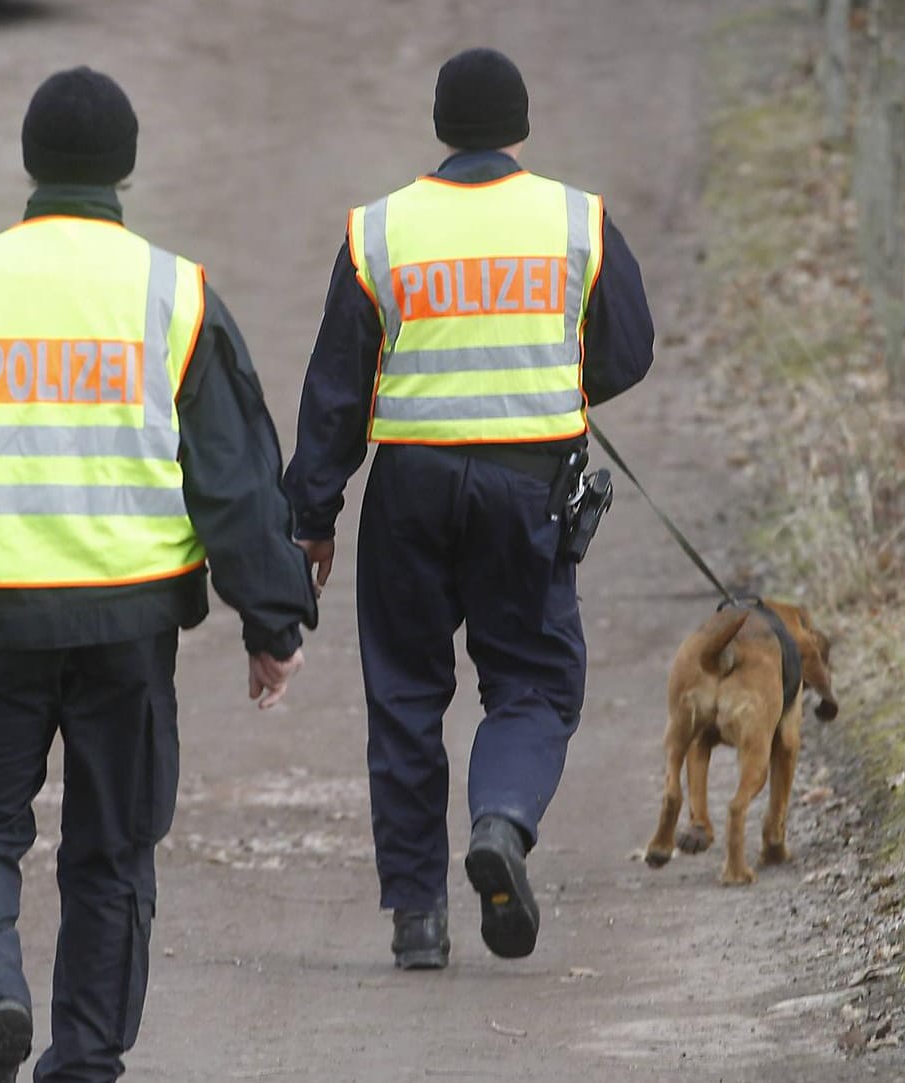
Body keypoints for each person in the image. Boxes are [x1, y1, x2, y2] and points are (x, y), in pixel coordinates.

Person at [0, 67, 316, 1083]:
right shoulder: (173, 293)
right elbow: (236, 484)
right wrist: (273, 620)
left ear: (32, 164)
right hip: (129, 631)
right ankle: (85, 1065)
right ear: (125, 168)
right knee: (112, 858)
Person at [283, 47, 655, 970]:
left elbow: (337, 386)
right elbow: (629, 348)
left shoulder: (381, 230)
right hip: (528, 487)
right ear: (520, 126)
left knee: (406, 693)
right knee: (532, 681)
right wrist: (552, 388)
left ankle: (416, 916)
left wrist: (313, 514)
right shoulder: (578, 220)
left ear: (442, 129)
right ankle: (501, 821)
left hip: (410, 488)